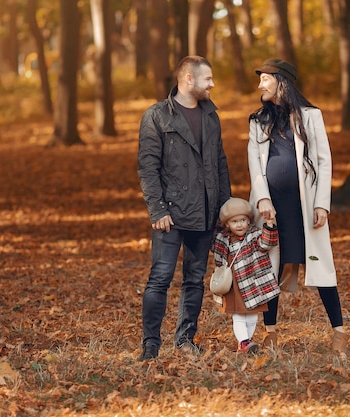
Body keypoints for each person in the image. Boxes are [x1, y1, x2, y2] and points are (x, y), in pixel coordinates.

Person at [247, 58, 348, 355]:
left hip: (305, 206)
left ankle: (339, 333)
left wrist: (322, 204)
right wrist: (263, 198)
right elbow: (255, 164)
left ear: (282, 82)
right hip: (271, 208)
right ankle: (271, 334)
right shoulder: (258, 121)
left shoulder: (311, 116)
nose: (259, 85)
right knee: (270, 269)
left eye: (264, 79)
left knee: (321, 267)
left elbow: (324, 161)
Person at [137, 56, 232, 361]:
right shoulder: (156, 116)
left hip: (205, 212)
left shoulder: (210, 116)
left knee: (194, 279)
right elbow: (147, 167)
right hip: (170, 215)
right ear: (189, 79)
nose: (212, 84)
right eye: (208, 79)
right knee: (160, 278)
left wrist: (224, 208)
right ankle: (150, 344)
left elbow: (219, 164)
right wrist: (157, 210)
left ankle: (185, 340)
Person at [211, 197, 280, 354]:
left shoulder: (254, 234)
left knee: (252, 316)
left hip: (252, 283)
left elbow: (267, 243)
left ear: (248, 220)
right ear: (227, 224)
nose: (240, 224)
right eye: (234, 221)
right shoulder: (222, 239)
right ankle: (243, 342)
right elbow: (215, 250)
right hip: (234, 285)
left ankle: (246, 343)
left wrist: (269, 224)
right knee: (239, 316)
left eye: (243, 220)